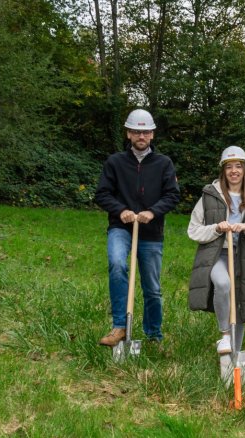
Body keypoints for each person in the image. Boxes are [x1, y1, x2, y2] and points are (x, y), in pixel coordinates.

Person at [95, 109, 180, 347]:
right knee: (117, 264)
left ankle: (154, 334)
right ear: (128, 134)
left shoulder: (164, 164)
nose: (140, 135)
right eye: (136, 131)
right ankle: (120, 327)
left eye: (145, 131)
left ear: (152, 134)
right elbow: (101, 194)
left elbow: (173, 195)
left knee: (152, 287)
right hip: (120, 228)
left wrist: (152, 212)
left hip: (151, 233)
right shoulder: (115, 162)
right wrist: (120, 210)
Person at [187, 146, 245, 355]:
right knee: (223, 284)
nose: (234, 171)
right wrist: (216, 228)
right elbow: (193, 230)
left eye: (238, 166)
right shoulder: (209, 196)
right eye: (229, 166)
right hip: (217, 254)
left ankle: (234, 357)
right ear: (223, 170)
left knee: (239, 306)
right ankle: (224, 335)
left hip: (244, 257)